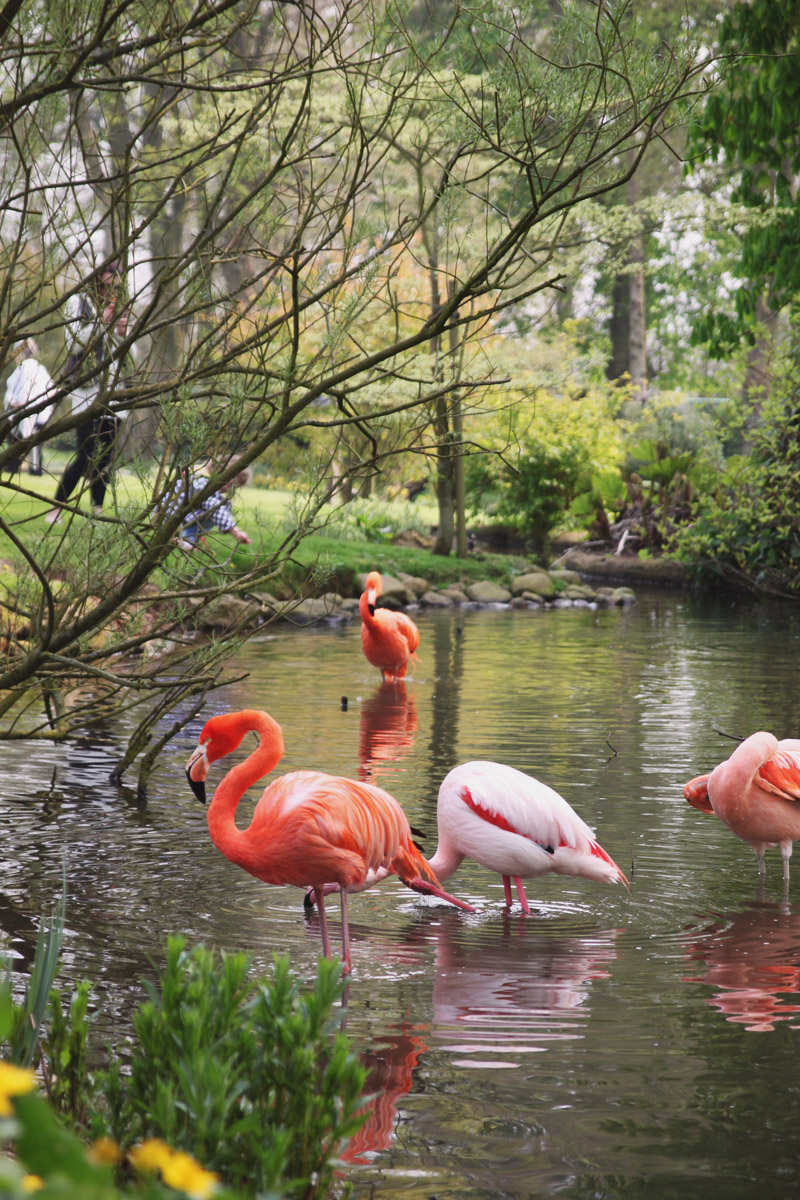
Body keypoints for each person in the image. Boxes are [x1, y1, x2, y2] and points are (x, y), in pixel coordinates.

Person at [45, 262, 131, 524]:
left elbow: (131, 354)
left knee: (104, 458)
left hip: (115, 394)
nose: (109, 291)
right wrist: (100, 324)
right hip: (86, 392)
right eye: (105, 285)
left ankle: (97, 512)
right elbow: (72, 344)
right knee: (85, 454)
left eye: (115, 287)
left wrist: (121, 333)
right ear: (96, 283)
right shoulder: (79, 303)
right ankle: (56, 508)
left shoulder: (121, 308)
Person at [168, 459, 252, 551]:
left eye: (234, 487)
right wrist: (234, 530)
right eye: (230, 483)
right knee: (216, 508)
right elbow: (213, 506)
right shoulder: (201, 479)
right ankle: (186, 538)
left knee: (225, 506)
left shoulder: (202, 476)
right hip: (170, 516)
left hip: (177, 517)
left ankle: (185, 540)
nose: (229, 489)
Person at [3, 339, 56, 476]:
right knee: (30, 444)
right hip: (36, 415)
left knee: (21, 444)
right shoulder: (39, 369)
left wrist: (16, 405)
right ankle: (30, 469)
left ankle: (29, 469)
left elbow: (20, 393)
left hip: (26, 414)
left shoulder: (25, 368)